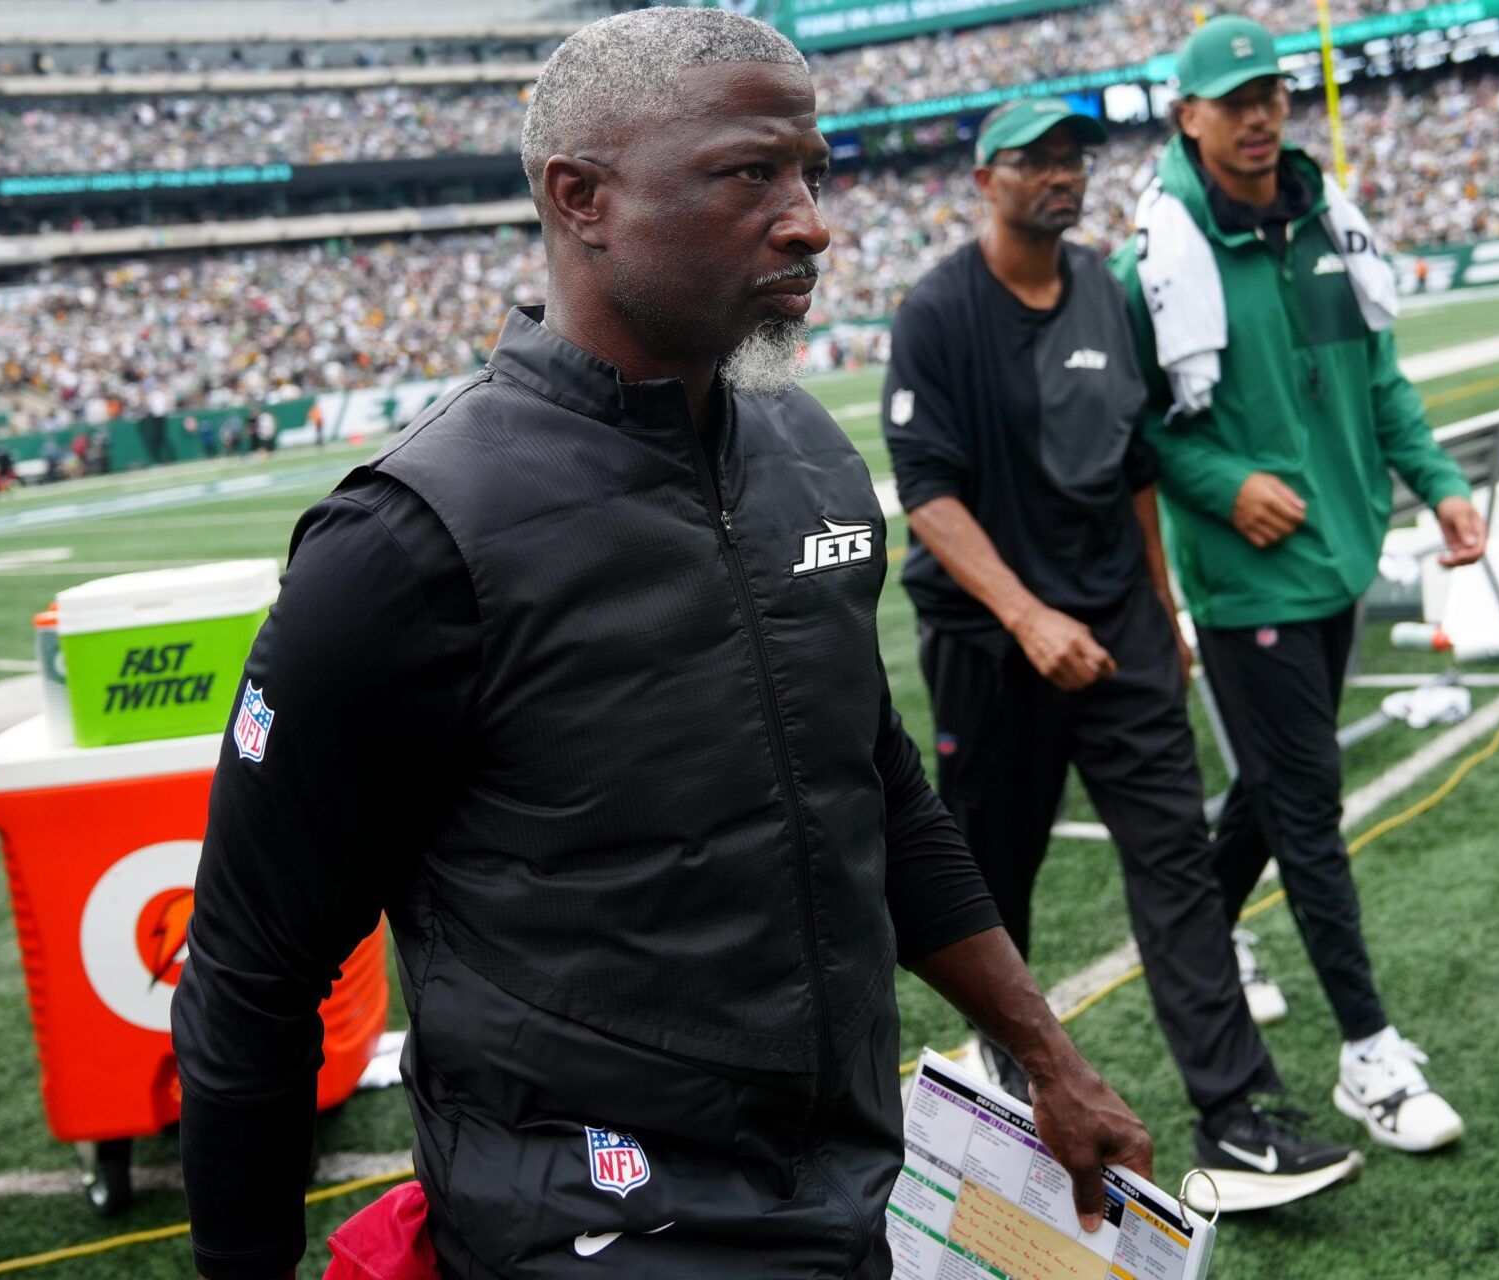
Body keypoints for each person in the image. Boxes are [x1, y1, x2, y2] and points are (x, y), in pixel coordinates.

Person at [173, 12, 1150, 1280]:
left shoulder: (811, 458)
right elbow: (252, 967)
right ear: (581, 198)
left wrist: (1051, 1059)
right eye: (752, 174)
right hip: (588, 1230)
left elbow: (876, 793)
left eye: (814, 173)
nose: (810, 221)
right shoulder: (405, 545)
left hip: (847, 1190)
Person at [881, 97, 1362, 1214]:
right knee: (993, 870)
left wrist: (1159, 604)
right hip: (992, 646)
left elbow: (1137, 460)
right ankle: (1008, 1065)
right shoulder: (939, 310)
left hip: (1120, 635)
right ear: (983, 178)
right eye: (1034, 160)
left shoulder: (1104, 284)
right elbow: (930, 495)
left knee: (1179, 868)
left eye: (1072, 158)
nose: (1059, 175)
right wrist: (1025, 618)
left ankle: (1237, 1116)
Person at [1110, 16, 1486, 1157]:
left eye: (1272, 93)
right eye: (1235, 101)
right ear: (1188, 118)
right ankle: (1368, 1054)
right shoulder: (1156, 259)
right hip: (1248, 580)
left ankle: (1203, 936)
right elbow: (1135, 433)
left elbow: (1381, 380)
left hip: (1341, 556)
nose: (1262, 114)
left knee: (1275, 793)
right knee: (1309, 811)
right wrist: (1224, 485)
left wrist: (1438, 482)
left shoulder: (1327, 223)